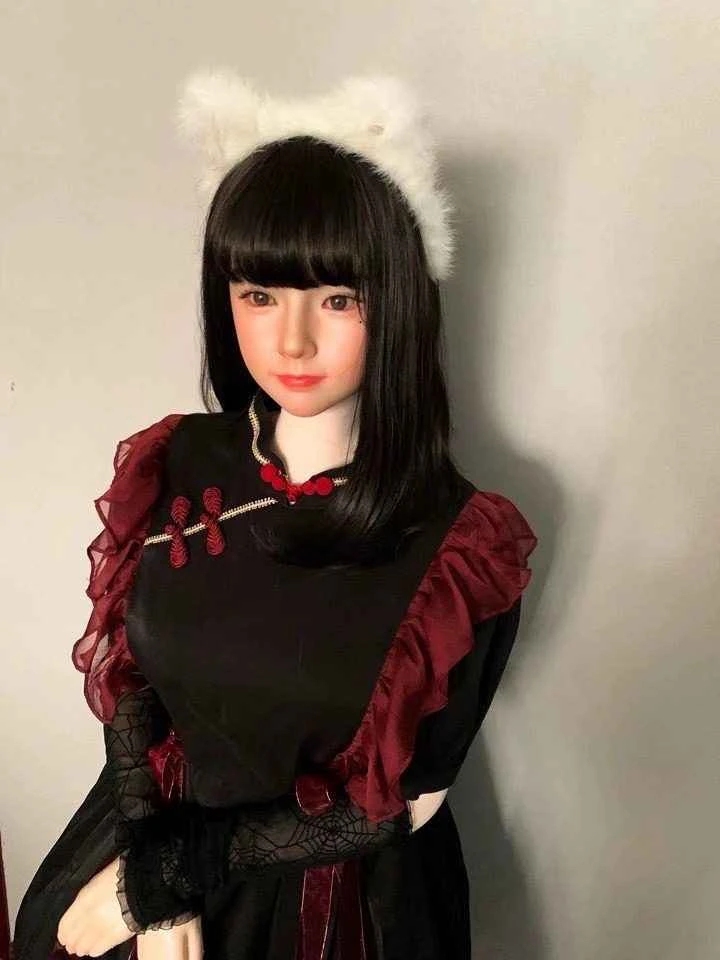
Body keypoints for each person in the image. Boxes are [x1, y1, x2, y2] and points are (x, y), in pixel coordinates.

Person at [12, 72, 538, 960]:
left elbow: (409, 800)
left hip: (337, 902)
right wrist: (149, 863)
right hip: (146, 843)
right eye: (259, 295)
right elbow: (136, 686)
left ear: (398, 302)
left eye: (338, 299)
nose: (292, 341)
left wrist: (167, 881)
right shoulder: (174, 461)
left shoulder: (460, 543)